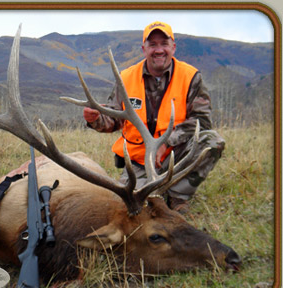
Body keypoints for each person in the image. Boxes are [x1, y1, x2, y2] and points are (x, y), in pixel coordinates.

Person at [83, 21, 225, 213]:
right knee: (127, 208)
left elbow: (202, 121)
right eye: (153, 45)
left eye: (164, 44)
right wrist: (96, 119)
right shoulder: (126, 78)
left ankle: (178, 196)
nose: (159, 50)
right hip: (139, 162)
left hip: (176, 155)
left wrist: (168, 142)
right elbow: (113, 120)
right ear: (144, 49)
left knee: (212, 141)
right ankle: (156, 190)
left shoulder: (191, 77)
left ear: (173, 47)